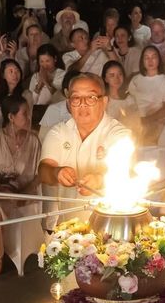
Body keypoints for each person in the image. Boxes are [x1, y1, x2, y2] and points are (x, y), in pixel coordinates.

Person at [39, 73, 132, 216]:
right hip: (65, 224)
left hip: (106, 222)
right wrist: (56, 172)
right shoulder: (58, 132)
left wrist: (99, 180)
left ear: (104, 102)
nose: (82, 103)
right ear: (69, 103)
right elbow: (43, 171)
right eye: (76, 98)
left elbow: (124, 172)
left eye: (91, 98)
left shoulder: (118, 134)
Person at [0, 96, 42, 276]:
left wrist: (23, 192)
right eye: (24, 114)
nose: (28, 118)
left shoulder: (33, 141)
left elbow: (38, 175)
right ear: (11, 117)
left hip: (22, 194)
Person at [128, 46, 165, 144]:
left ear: (159, 59)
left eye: (153, 57)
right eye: (146, 57)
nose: (150, 60)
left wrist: (146, 120)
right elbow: (129, 102)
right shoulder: (136, 79)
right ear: (142, 61)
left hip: (155, 125)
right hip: (135, 123)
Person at [101, 60, 138, 128]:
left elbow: (135, 122)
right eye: (112, 75)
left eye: (120, 74)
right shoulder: (103, 101)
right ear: (106, 79)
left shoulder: (130, 99)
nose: (117, 78)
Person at [27, 44, 66, 109]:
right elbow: (30, 102)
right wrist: (38, 86)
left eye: (47, 61)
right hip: (37, 111)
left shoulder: (62, 74)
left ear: (55, 59)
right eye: (41, 61)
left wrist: (46, 82)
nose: (45, 65)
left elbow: (61, 99)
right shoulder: (35, 76)